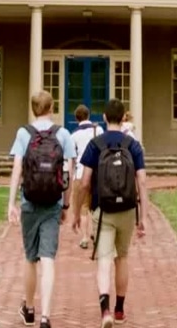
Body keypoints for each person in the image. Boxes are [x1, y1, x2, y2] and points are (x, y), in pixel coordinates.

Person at [73, 98, 147, 327]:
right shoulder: (133, 145)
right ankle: (119, 310)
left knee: (104, 259)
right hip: (126, 209)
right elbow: (142, 182)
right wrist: (142, 217)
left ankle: (104, 310)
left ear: (104, 118)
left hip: (102, 209)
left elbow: (84, 182)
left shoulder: (96, 144)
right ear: (124, 117)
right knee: (122, 258)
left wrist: (76, 211)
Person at [7, 90, 75, 328]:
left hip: (29, 202)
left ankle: (29, 309)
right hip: (53, 204)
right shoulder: (63, 134)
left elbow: (17, 169)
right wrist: (66, 204)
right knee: (48, 259)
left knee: (30, 258)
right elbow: (69, 174)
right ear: (52, 108)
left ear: (33, 108)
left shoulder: (24, 134)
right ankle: (46, 316)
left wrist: (11, 203)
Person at [70, 104, 102, 250]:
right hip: (97, 174)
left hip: (80, 173)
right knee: (97, 206)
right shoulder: (99, 130)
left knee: (82, 207)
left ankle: (84, 237)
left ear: (77, 119)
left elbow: (72, 158)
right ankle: (96, 234)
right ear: (88, 116)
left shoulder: (74, 135)